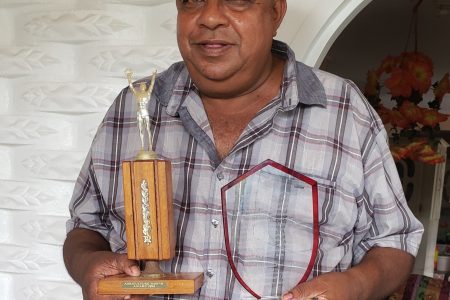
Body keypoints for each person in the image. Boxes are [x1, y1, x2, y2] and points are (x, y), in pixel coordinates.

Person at [63, 0, 424, 299]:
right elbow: (84, 226)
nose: (209, 17)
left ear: (276, 13)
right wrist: (88, 265)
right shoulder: (133, 108)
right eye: (191, 1)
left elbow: (394, 239)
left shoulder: (344, 110)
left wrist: (357, 286)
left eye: (237, 0)